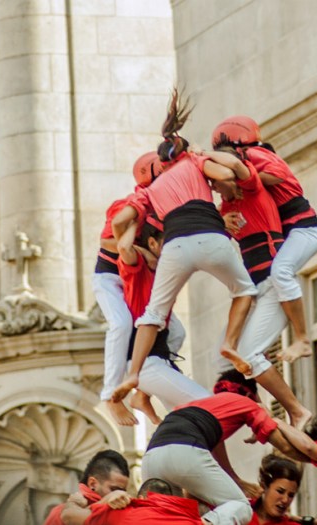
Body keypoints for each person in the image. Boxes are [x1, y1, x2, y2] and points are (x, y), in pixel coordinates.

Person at [111, 90, 258, 404]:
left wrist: (128, 226)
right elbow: (228, 173)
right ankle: (230, 344)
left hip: (175, 247)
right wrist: (204, 158)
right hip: (212, 238)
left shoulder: (153, 187)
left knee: (153, 314)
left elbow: (123, 219)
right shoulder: (194, 163)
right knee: (244, 290)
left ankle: (135, 374)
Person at [212, 146, 312, 430]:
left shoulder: (253, 189)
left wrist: (196, 153)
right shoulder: (226, 207)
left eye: (217, 181)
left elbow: (235, 165)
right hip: (257, 290)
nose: (214, 187)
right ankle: (255, 412)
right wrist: (220, 221)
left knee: (249, 353)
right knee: (224, 360)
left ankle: (297, 411)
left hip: (273, 288)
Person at [212, 116, 317, 364]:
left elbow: (277, 176)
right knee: (279, 272)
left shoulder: (256, 154)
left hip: (305, 227)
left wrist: (242, 178)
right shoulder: (232, 201)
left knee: (281, 271)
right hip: (292, 230)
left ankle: (303, 338)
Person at [141, 370, 308, 525]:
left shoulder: (196, 407)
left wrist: (237, 481)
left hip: (151, 458)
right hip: (185, 451)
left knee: (170, 517)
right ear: (254, 395)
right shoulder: (246, 402)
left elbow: (215, 459)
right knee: (240, 506)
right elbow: (286, 448)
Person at [109, 213, 210, 425]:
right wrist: (136, 219)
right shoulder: (138, 271)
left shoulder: (163, 273)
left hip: (160, 359)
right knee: (208, 406)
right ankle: (141, 392)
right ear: (153, 243)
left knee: (194, 422)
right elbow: (124, 247)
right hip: (146, 363)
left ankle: (142, 395)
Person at [94, 152, 165, 425]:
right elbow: (109, 241)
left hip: (134, 283)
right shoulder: (131, 205)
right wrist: (142, 252)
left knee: (174, 330)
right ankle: (110, 395)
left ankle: (142, 393)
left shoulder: (160, 211)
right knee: (121, 324)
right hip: (110, 278)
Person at [60, 477, 204, 525]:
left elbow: (69, 516)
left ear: (141, 499)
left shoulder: (128, 514)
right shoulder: (193, 520)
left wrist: (74, 502)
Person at [43, 449, 130, 525]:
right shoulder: (61, 513)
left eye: (123, 491)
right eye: (114, 490)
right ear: (92, 484)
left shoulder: (66, 508)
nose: (121, 494)